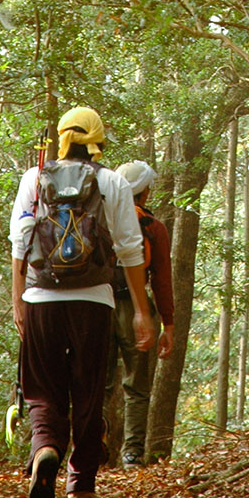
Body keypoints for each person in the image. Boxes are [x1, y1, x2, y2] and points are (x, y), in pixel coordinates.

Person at [9, 107, 154, 498]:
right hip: (94, 302)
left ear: (61, 139)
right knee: (88, 393)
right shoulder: (111, 182)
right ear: (98, 141)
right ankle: (81, 488)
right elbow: (129, 250)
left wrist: (19, 299)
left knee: (41, 388)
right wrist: (141, 312)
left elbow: (19, 242)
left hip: (40, 301)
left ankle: (46, 449)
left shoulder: (34, 178)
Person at [105, 160, 175, 469]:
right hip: (138, 308)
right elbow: (161, 279)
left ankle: (91, 449)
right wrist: (168, 324)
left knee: (99, 383)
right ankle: (132, 454)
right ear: (144, 191)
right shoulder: (153, 227)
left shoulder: (101, 220)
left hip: (100, 303)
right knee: (136, 385)